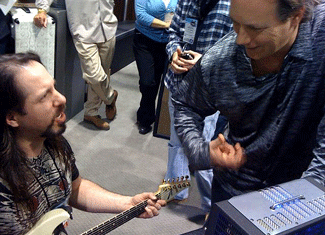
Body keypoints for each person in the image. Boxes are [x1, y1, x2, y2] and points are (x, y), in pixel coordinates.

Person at [171, 0, 325, 206]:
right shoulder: (220, 59)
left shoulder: (320, 38)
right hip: (235, 189)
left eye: (255, 28)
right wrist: (200, 151)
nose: (241, 39)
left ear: (296, 16)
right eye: (235, 23)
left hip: (302, 189)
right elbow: (184, 104)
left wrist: (304, 203)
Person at [0, 53, 165, 235]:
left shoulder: (54, 142)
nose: (61, 98)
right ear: (12, 118)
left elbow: (75, 188)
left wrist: (127, 203)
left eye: (53, 87)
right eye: (44, 97)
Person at [164, 0, 233, 214]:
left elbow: (238, 53)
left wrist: (205, 63)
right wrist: (173, 54)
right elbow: (174, 32)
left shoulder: (232, 5)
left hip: (206, 96)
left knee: (204, 152)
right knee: (176, 144)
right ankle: (177, 192)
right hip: (177, 85)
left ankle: (212, 208)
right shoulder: (187, 1)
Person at [34, 0, 118, 130]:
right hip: (83, 29)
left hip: (108, 27)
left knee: (103, 71)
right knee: (94, 75)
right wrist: (41, 10)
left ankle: (91, 113)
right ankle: (110, 97)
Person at [133, 0, 178, 135]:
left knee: (160, 81)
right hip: (144, 41)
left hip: (169, 43)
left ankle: (156, 116)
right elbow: (141, 15)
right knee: (148, 82)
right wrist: (166, 25)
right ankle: (145, 118)